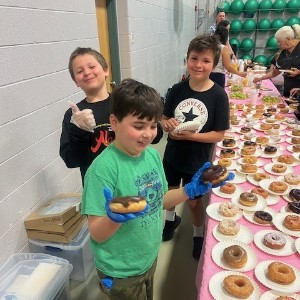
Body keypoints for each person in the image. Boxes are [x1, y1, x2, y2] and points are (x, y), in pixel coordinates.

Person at [81, 78, 231, 300]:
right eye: (138, 126)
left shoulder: (150, 154)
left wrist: (189, 190)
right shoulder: (102, 170)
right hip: (121, 270)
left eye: (152, 126)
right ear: (114, 122)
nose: (148, 134)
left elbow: (160, 200)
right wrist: (114, 218)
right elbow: (97, 233)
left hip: (148, 255)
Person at [160, 34, 231, 260]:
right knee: (170, 193)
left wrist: (191, 136)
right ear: (187, 59)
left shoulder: (219, 96)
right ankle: (170, 222)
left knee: (192, 201)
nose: (198, 65)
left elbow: (219, 134)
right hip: (172, 155)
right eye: (194, 58)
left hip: (197, 160)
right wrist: (166, 124)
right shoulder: (177, 89)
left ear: (214, 63)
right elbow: (163, 118)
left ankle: (198, 234)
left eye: (205, 60)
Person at [59, 47, 162, 184]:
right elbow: (71, 161)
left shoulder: (125, 102)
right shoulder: (74, 115)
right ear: (75, 81)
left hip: (133, 178)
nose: (87, 72)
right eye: (79, 71)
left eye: (91, 66)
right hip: (99, 185)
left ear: (106, 70)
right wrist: (79, 131)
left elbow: (157, 135)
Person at [253, 25, 300, 97]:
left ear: (288, 39)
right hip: (289, 91)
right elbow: (275, 72)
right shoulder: (283, 52)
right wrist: (261, 78)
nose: (278, 44)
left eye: (280, 42)